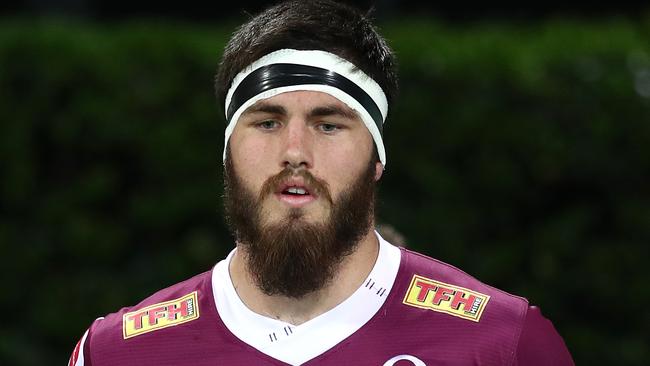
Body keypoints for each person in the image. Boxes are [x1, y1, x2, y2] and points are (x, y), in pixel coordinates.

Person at [68, 1, 574, 365]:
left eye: (328, 124)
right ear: (227, 153)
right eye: (267, 122)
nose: (294, 152)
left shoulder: (502, 343)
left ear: (376, 157)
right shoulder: (119, 351)